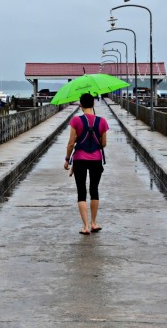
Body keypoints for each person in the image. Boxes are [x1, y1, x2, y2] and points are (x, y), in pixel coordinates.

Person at [63, 93, 109, 235]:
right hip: (96, 159)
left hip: (80, 160)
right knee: (94, 189)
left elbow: (71, 143)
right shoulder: (102, 121)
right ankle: (94, 223)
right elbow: (104, 144)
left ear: (80, 105)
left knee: (81, 191)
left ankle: (85, 227)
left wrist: (67, 159)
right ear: (93, 104)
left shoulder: (76, 121)